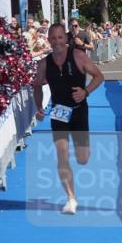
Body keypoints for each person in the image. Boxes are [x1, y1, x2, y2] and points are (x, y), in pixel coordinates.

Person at [33, 23, 105, 215]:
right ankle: (71, 198)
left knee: (82, 159)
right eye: (53, 38)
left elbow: (99, 76)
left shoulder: (78, 56)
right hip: (59, 112)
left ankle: (82, 151)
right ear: (48, 40)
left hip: (79, 110)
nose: (57, 42)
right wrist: (39, 108)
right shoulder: (44, 64)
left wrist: (86, 91)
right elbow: (37, 85)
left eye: (60, 38)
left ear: (65, 39)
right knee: (62, 154)